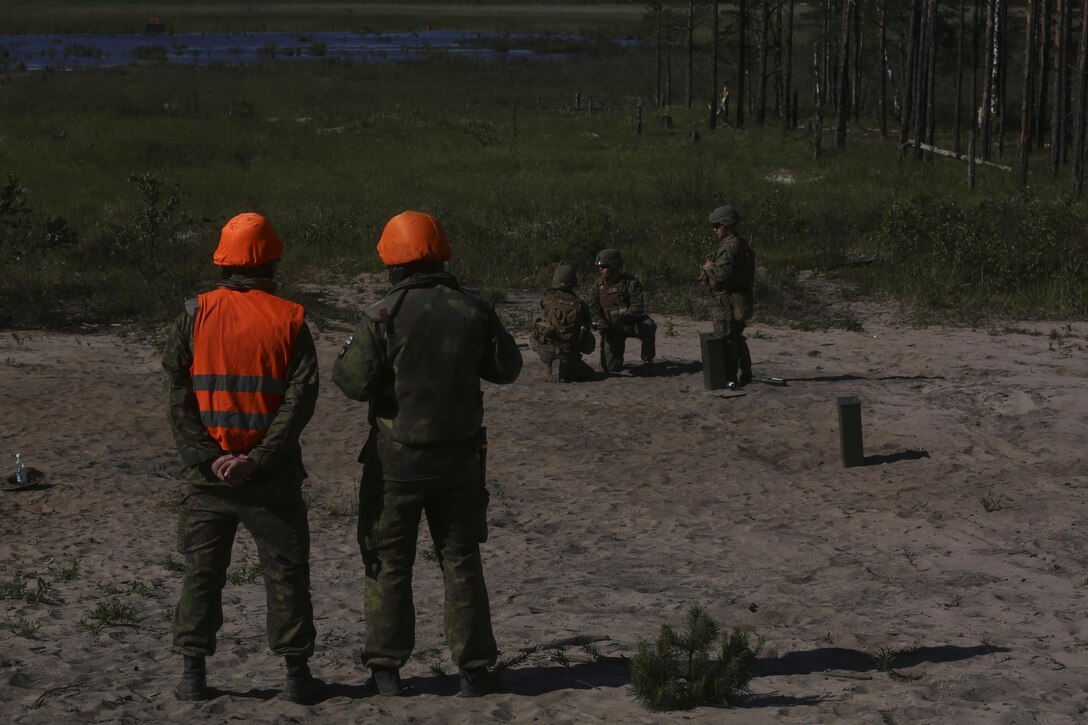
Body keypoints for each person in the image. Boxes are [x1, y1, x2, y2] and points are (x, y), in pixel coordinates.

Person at [332, 210, 522, 698]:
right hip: (459, 461)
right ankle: (475, 670)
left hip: (396, 463)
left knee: (388, 562)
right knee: (461, 560)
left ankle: (387, 670)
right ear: (440, 254)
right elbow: (507, 368)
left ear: (393, 263)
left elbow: (352, 382)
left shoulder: (383, 315)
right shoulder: (474, 309)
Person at [162, 212, 319, 704]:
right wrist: (258, 458)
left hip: (208, 482)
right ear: (272, 259)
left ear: (223, 260)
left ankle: (193, 674)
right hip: (269, 480)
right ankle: (296, 677)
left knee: (202, 575)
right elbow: (301, 400)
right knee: (286, 573)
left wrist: (209, 458)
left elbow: (177, 395)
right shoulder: (290, 318)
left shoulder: (195, 313)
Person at [701, 204, 755, 385]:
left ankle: (730, 378)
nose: (714, 229)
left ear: (726, 225)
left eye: (717, 225)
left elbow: (722, 276)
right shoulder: (742, 244)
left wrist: (709, 268)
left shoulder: (728, 248)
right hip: (739, 299)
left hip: (726, 301)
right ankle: (746, 373)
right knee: (737, 338)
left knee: (726, 340)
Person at [588, 248, 656, 372]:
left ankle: (648, 359)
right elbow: (593, 309)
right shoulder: (597, 287)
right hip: (611, 328)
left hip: (630, 324)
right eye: (599, 266)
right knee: (611, 368)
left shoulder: (630, 282)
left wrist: (625, 319)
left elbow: (638, 306)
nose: (600, 269)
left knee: (648, 325)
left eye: (604, 266)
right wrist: (600, 322)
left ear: (614, 266)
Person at [529, 264, 596, 382]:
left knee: (537, 331)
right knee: (589, 374)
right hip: (568, 352)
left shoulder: (547, 300)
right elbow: (587, 328)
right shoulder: (580, 305)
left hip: (546, 350)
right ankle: (566, 366)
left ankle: (549, 366)